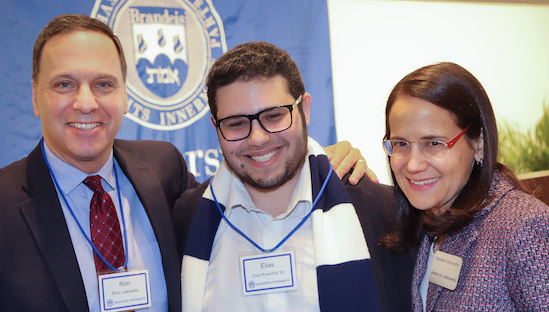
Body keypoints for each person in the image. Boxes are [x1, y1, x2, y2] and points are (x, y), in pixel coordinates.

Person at [0, 15, 370, 312]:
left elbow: (253, 182)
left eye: (103, 84)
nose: (86, 103)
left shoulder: (163, 170)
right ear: (34, 95)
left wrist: (322, 159)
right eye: (64, 84)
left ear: (124, 96)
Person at [176, 42, 415, 312]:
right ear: (215, 127)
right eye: (236, 123)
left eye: (274, 116)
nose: (257, 138)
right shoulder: (188, 217)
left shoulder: (381, 211)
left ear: (306, 110)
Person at [380, 62, 549, 311]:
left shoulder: (523, 226)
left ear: (479, 143)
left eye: (434, 143)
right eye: (401, 144)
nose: (413, 165)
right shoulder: (429, 222)